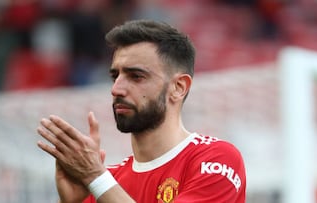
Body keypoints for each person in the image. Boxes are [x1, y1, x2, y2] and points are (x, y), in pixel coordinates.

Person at [37, 19, 246, 203]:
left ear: (178, 87)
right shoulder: (106, 181)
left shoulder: (216, 160)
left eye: (136, 76)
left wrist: (95, 177)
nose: (116, 89)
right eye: (114, 76)